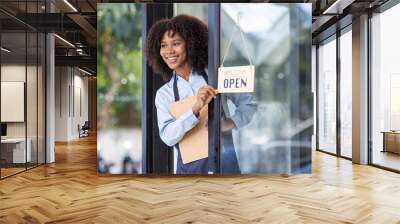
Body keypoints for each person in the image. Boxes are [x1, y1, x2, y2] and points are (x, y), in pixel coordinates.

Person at [146, 14, 257, 174]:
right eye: (163, 45)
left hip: (224, 165)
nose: (169, 51)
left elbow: (249, 104)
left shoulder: (216, 76)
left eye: (176, 43)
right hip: (189, 172)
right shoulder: (164, 94)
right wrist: (194, 109)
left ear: (191, 44)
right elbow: (168, 137)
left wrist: (228, 123)